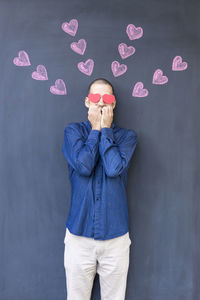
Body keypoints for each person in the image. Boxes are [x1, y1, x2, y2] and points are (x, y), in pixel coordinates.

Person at [62, 78, 138, 300]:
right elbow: (84, 166)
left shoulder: (126, 137)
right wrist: (95, 129)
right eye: (96, 98)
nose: (101, 104)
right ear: (87, 102)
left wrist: (105, 130)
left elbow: (114, 168)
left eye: (108, 99)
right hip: (78, 237)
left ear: (114, 105)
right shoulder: (73, 132)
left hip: (116, 239)